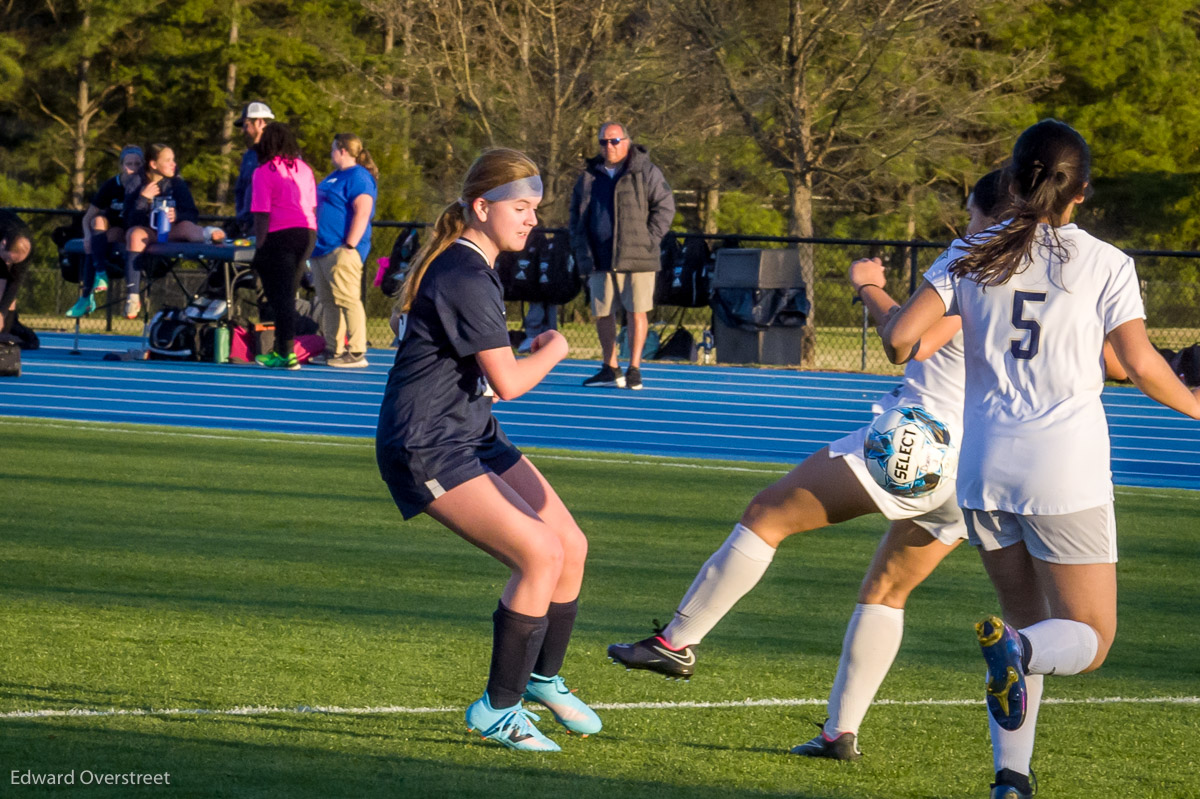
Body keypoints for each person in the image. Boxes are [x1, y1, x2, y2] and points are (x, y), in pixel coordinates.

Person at [607, 172, 1010, 755]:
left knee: (767, 513)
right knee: (886, 589)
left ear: (991, 216)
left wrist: (868, 286)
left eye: (972, 215)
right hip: (979, 463)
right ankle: (841, 731)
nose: (967, 227)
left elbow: (912, 341)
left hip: (923, 438)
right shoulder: (1042, 269)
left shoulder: (973, 258)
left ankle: (676, 642)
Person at [881, 120, 1200, 799]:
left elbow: (903, 337)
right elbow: (1140, 364)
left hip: (983, 470)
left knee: (1026, 623)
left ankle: (1011, 778)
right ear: (1081, 191)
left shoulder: (972, 251)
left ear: (1016, 177)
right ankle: (1018, 658)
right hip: (1064, 472)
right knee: (1087, 637)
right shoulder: (1106, 262)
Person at [376, 148, 598, 752]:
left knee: (570, 546)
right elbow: (509, 383)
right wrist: (553, 347)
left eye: (535, 209)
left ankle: (543, 680)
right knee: (537, 555)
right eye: (521, 208)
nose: (532, 220)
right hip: (427, 443)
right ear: (482, 207)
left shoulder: (475, 268)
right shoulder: (464, 273)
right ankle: (498, 709)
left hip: (469, 431)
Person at [569, 122, 675, 390]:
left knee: (636, 312)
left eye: (614, 141)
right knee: (603, 313)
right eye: (603, 142)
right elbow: (575, 215)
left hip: (637, 257)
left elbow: (665, 207)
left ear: (626, 141)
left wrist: (649, 239)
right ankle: (611, 367)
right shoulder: (589, 176)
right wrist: (581, 244)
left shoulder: (645, 171)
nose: (609, 147)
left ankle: (635, 369)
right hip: (599, 257)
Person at [122, 143, 226, 319]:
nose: (173, 164)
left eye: (174, 160)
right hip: (148, 232)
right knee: (134, 235)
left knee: (188, 227)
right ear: (153, 164)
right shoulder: (137, 182)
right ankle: (132, 295)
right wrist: (143, 199)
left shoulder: (176, 183)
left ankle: (211, 234)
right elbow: (129, 219)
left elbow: (192, 213)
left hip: (172, 231)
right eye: (168, 160)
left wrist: (177, 214)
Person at [249, 122, 317, 370]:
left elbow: (261, 213)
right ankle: (283, 349)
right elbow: (311, 205)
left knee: (280, 296)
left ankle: (285, 351)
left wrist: (260, 245)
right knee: (288, 292)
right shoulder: (304, 169)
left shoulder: (265, 171)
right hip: (307, 232)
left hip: (280, 233)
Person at [310, 133, 378, 368]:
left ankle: (357, 350)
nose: (330, 153)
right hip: (321, 249)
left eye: (332, 149)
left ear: (342, 150)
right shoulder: (333, 177)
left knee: (348, 299)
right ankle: (334, 348)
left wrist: (350, 244)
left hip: (341, 248)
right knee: (329, 301)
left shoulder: (358, 176)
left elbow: (363, 209)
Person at [66, 145, 144, 318]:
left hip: (133, 232)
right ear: (121, 165)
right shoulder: (112, 185)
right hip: (110, 232)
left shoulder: (144, 186)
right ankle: (98, 278)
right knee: (97, 223)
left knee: (104, 240)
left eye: (137, 164)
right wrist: (87, 236)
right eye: (128, 163)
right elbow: (87, 218)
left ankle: (86, 296)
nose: (132, 168)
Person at [234, 101, 275, 237]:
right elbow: (240, 189)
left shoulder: (276, 155)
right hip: (248, 225)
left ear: (259, 122)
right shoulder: (249, 155)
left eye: (246, 125)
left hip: (269, 226)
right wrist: (242, 217)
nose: (243, 131)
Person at [0, 211, 36, 348]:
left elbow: (14, 283)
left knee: (6, 288)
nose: (8, 264)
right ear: (3, 243)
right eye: (7, 260)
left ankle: (5, 333)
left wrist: (1, 313)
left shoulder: (25, 248)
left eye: (13, 262)